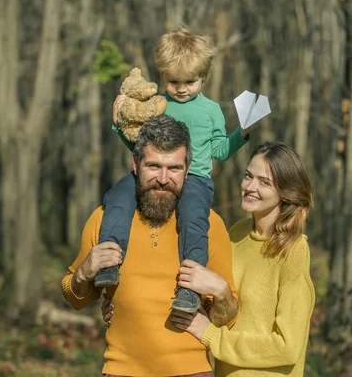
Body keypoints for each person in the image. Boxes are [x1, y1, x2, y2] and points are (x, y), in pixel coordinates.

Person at [103, 142, 316, 376]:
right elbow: (216, 305)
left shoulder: (294, 250)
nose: (249, 187)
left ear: (287, 192)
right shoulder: (235, 234)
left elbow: (287, 348)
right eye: (248, 176)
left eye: (264, 182)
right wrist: (126, 305)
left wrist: (211, 335)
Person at [62, 115, 239, 376]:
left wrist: (222, 292)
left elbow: (229, 319)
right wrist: (83, 273)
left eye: (175, 168)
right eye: (154, 166)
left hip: (191, 371)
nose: (164, 178)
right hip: (121, 370)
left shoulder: (209, 225)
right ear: (135, 164)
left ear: (188, 170)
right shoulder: (104, 219)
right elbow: (75, 299)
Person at [95, 27, 253, 314]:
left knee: (194, 219)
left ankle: (190, 288)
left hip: (195, 180)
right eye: (173, 81)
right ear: (162, 76)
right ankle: (110, 261)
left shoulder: (211, 110)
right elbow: (139, 146)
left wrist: (241, 135)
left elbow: (220, 151)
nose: (181, 88)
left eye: (190, 82)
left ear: (203, 78)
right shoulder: (157, 105)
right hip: (153, 175)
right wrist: (118, 125)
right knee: (117, 197)